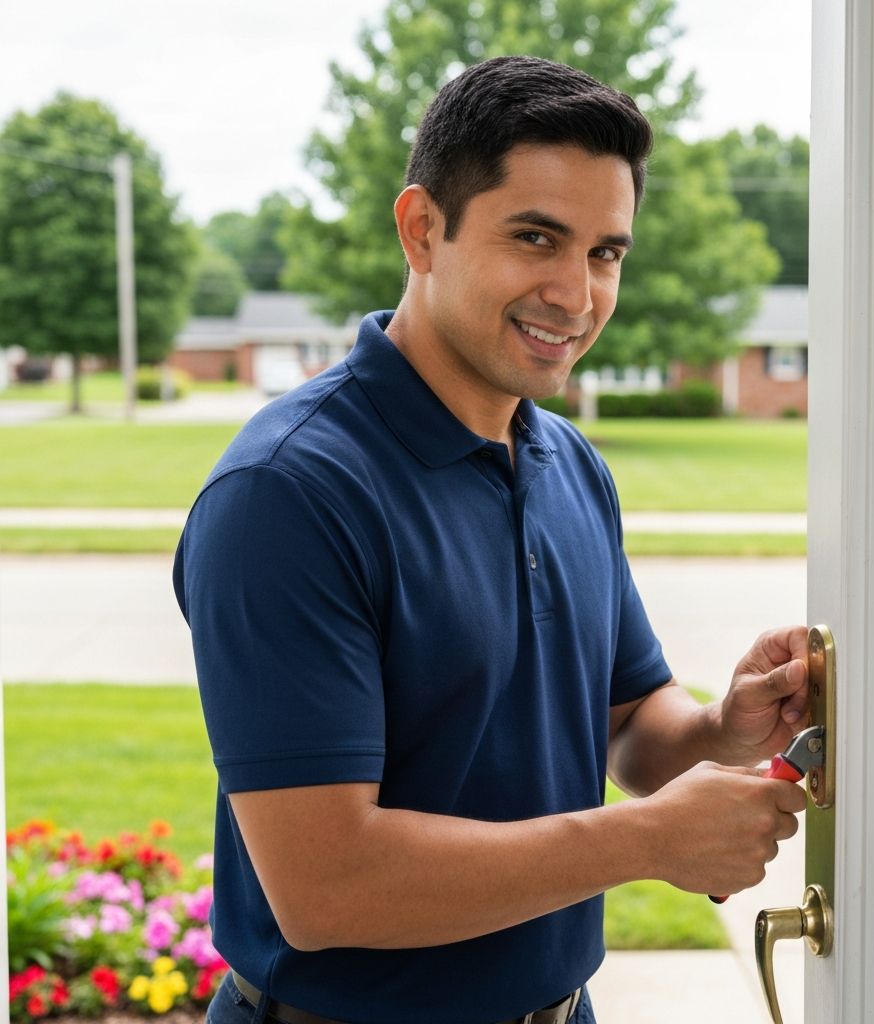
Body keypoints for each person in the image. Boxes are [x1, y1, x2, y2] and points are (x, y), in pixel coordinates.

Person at [173, 55, 808, 1024]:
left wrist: (724, 730)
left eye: (604, 252)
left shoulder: (566, 460)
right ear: (422, 228)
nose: (575, 291)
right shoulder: (288, 493)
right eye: (535, 237)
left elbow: (629, 721)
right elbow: (326, 888)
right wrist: (643, 841)